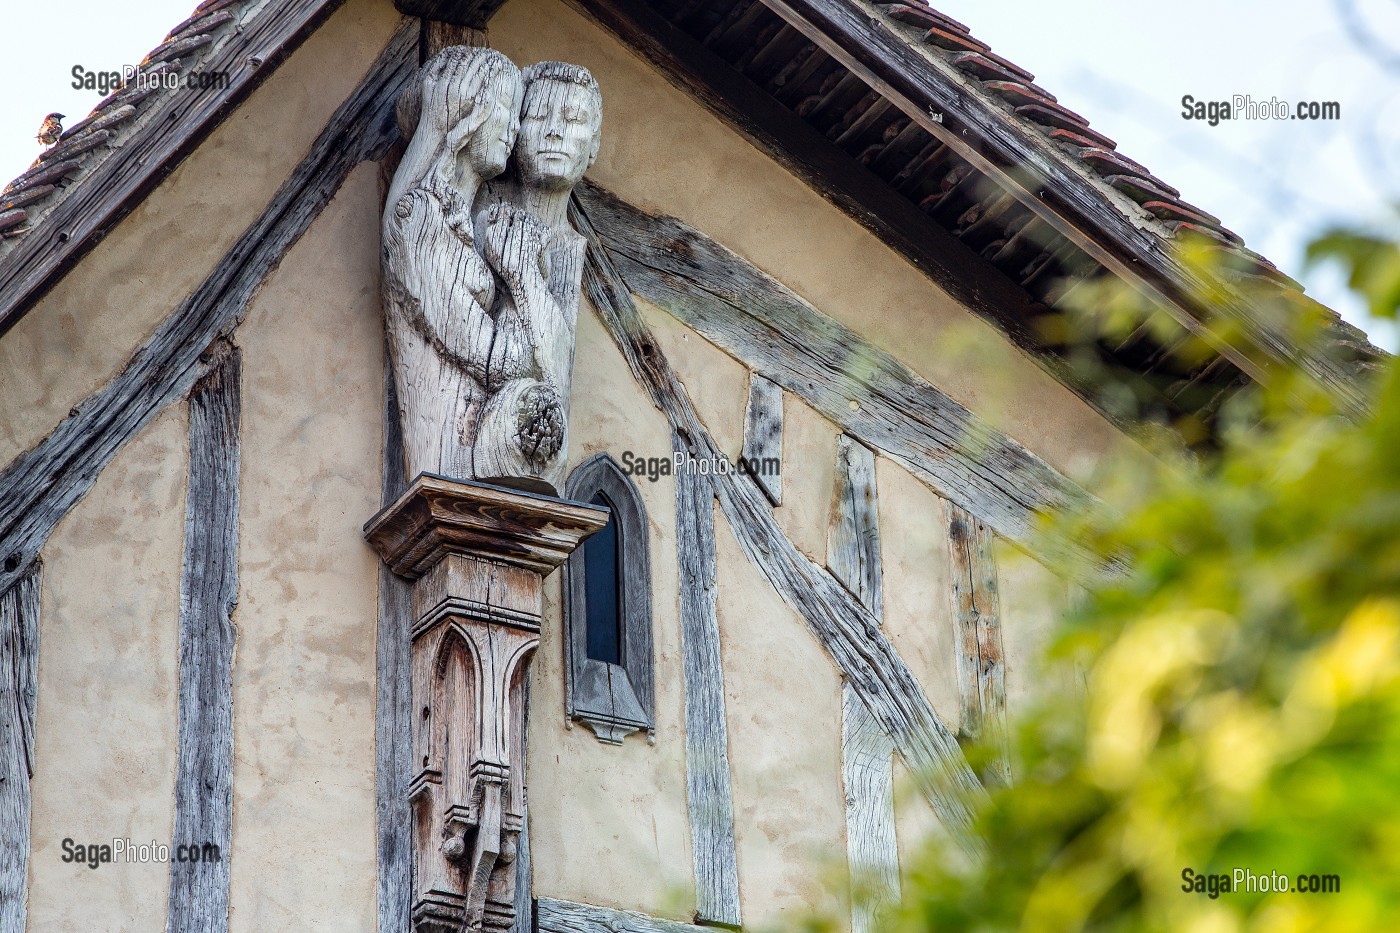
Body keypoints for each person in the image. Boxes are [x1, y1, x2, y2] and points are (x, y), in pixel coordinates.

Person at [381, 47, 524, 480]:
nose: (514, 127)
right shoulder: (418, 218)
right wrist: (523, 275)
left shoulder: (458, 216)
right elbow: (500, 360)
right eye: (504, 108)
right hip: (446, 467)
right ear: (464, 110)